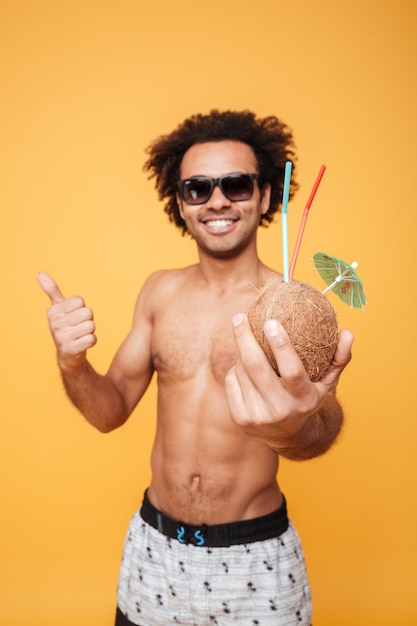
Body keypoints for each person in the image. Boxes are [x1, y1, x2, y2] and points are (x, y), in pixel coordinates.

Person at [38, 109, 354, 626]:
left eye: (236, 184)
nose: (218, 200)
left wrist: (298, 426)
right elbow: (108, 410)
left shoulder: (293, 307)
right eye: (197, 188)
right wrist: (72, 362)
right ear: (179, 203)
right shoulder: (159, 292)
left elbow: (319, 426)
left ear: (266, 195)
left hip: (256, 559)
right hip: (155, 552)